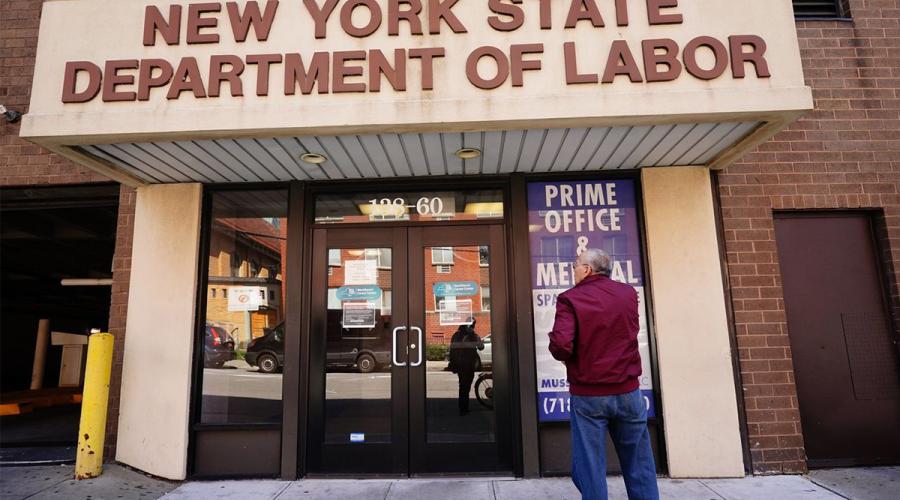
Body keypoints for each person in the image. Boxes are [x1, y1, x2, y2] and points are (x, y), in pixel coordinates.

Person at [548, 249, 659, 500]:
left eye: (575, 265)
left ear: (587, 269)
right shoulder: (628, 294)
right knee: (639, 463)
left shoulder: (569, 299)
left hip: (589, 396)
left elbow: (561, 346)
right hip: (629, 392)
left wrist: (560, 345)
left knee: (590, 468)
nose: (573, 270)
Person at [448, 317, 484, 415]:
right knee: (465, 385)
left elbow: (452, 349)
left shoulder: (457, 335)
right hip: (467, 363)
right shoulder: (471, 335)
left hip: (461, 363)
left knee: (463, 385)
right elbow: (481, 347)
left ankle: (463, 406)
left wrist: (452, 361)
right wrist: (474, 336)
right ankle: (463, 407)